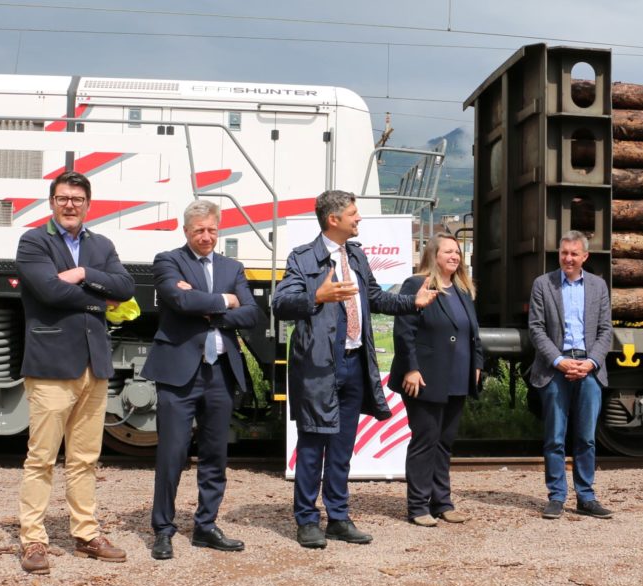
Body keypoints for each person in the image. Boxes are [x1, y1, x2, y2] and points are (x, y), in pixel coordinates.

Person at [272, 190, 438, 549]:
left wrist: (414, 302)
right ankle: (306, 520)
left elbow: (376, 298)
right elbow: (281, 303)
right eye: (353, 213)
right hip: (318, 367)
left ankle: (339, 518)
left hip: (354, 364)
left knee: (343, 446)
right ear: (333, 219)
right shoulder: (303, 258)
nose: (358, 218)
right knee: (313, 444)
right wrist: (316, 296)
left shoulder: (357, 256)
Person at [15, 171, 134, 573]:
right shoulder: (34, 241)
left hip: (93, 364)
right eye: (63, 198)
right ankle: (33, 539)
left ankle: (86, 533)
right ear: (52, 202)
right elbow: (48, 291)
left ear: (87, 204)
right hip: (51, 364)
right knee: (42, 458)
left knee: (85, 458)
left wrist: (84, 275)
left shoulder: (101, 244)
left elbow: (126, 286)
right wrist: (101, 298)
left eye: (77, 199)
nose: (70, 205)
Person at [141, 200, 264, 560]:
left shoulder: (232, 266)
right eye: (199, 230)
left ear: (218, 229)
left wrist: (208, 305)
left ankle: (206, 526)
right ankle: (163, 529)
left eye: (212, 229)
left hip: (219, 373)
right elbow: (177, 299)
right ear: (186, 232)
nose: (206, 236)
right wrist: (226, 301)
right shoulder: (168, 260)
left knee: (215, 455)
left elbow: (252, 314)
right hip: (179, 374)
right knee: (172, 454)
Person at [389, 232, 484, 527]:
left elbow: (473, 334)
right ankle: (418, 506)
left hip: (457, 377)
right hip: (424, 377)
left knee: (444, 443)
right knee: (425, 441)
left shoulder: (462, 290)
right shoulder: (416, 284)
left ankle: (442, 502)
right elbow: (404, 331)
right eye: (448, 252)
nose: (454, 256)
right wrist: (410, 368)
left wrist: (477, 364)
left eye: (457, 252)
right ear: (433, 255)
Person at [528, 230, 614, 520]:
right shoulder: (543, 284)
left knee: (586, 438)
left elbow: (605, 331)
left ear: (584, 257)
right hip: (556, 370)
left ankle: (586, 497)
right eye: (564, 253)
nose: (568, 258)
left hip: (588, 369)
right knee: (555, 437)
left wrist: (590, 362)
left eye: (574, 253)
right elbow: (536, 328)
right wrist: (559, 360)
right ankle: (556, 496)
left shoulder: (598, 287)